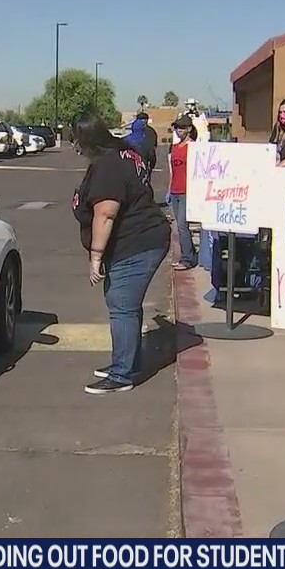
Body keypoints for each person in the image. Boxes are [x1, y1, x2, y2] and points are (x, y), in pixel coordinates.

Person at [70, 112, 171, 394]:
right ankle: (127, 361)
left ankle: (122, 374)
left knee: (121, 305)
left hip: (137, 242)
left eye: (74, 139)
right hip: (142, 239)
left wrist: (96, 257)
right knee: (126, 305)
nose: (73, 146)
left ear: (86, 140)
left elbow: (106, 214)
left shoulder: (109, 166)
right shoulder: (122, 153)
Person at [168, 116, 198, 271]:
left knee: (182, 225)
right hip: (175, 191)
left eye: (181, 128)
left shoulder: (193, 148)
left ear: (189, 129)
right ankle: (189, 255)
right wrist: (169, 190)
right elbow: (172, 171)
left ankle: (187, 259)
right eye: (177, 128)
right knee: (178, 226)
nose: (178, 131)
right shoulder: (174, 147)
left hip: (187, 191)